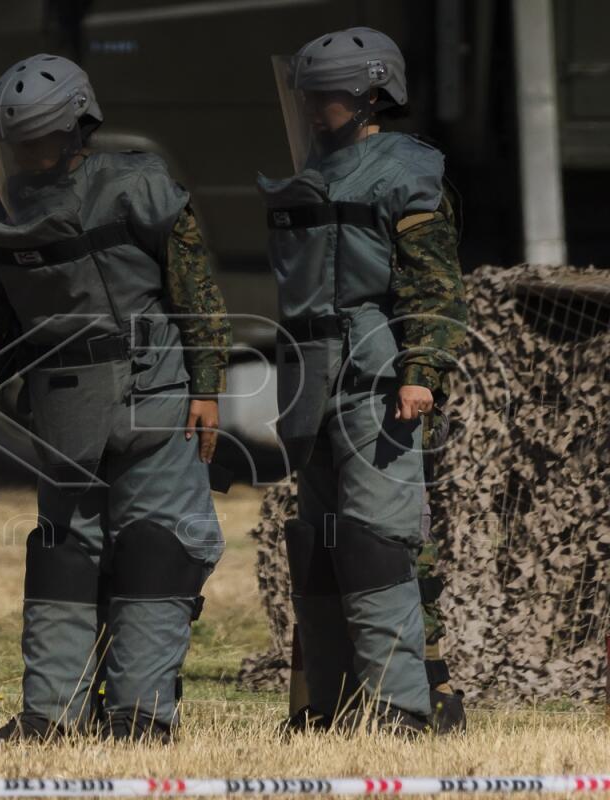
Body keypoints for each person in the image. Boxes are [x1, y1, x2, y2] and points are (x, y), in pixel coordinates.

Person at [0, 53, 232, 742]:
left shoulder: (142, 187)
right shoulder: (4, 213)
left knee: (153, 548)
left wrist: (208, 389)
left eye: (33, 139)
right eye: (9, 140)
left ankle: (140, 717)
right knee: (62, 554)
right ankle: (50, 715)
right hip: (64, 411)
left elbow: (196, 294)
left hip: (155, 398)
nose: (18, 153)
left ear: (74, 130)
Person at [257, 28, 467, 734]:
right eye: (310, 95)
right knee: (319, 545)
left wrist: (422, 371)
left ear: (374, 93)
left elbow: (435, 287)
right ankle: (331, 704)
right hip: (309, 383)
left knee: (377, 542)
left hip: (379, 384)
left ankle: (401, 709)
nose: (317, 108)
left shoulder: (408, 172)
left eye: (332, 96)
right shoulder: (310, 172)